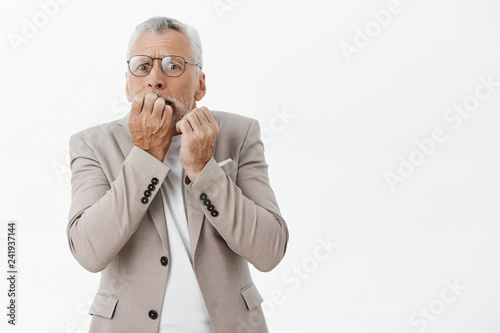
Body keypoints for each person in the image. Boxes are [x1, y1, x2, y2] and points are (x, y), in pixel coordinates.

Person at [66, 16, 289, 333]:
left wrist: (203, 170)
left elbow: (269, 251)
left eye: (173, 66)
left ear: (201, 84)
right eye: (142, 67)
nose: (155, 79)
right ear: (128, 85)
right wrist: (145, 155)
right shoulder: (92, 144)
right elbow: (89, 252)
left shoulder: (239, 134)